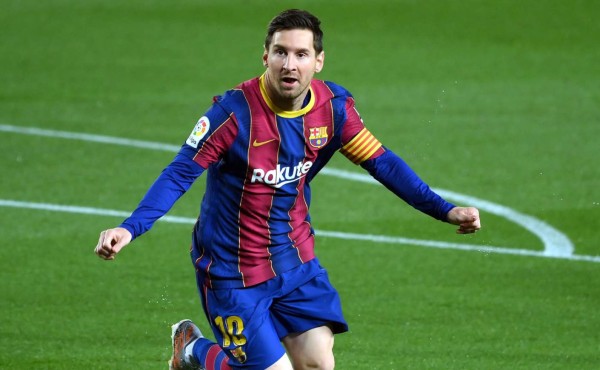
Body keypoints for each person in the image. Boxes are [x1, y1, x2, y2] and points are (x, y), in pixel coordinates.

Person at [94, 9, 481, 370]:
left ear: (319, 61)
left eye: (300, 54)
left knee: (318, 364)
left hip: (293, 257)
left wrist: (444, 210)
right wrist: (130, 228)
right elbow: (180, 173)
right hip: (232, 269)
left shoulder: (333, 111)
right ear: (265, 56)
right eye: (280, 52)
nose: (289, 64)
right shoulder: (232, 115)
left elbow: (382, 162)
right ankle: (194, 349)